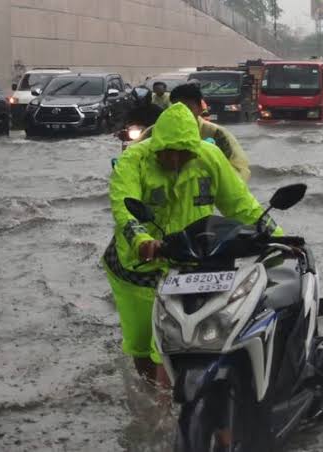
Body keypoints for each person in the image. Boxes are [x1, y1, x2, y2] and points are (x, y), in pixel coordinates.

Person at [103, 103, 279, 385]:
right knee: (140, 347)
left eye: (182, 154)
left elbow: (242, 205)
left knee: (172, 342)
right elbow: (123, 210)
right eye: (167, 153)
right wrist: (144, 241)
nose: (174, 160)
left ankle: (171, 405)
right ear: (156, 145)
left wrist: (279, 240)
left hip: (191, 264)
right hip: (137, 269)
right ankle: (149, 397)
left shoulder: (209, 157)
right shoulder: (133, 160)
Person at [135, 83, 251, 181]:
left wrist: (216, 188)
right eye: (176, 107)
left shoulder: (216, 133)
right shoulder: (153, 132)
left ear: (200, 108)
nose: (182, 113)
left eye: (188, 108)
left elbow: (239, 169)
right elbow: (133, 163)